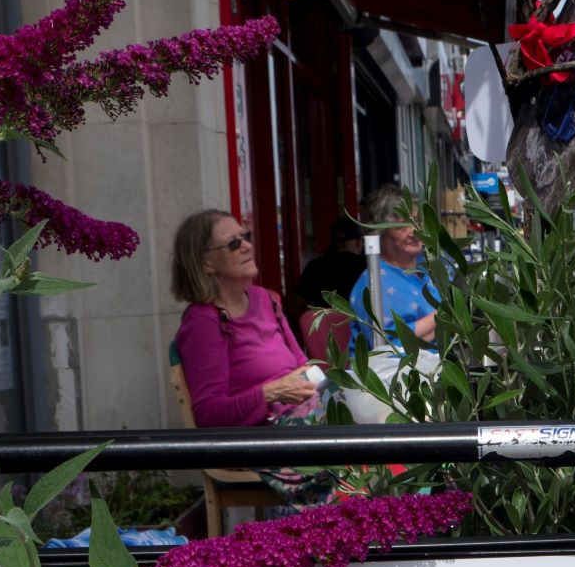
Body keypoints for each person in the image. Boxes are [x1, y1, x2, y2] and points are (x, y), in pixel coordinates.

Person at [171, 208, 332, 506]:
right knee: (357, 452)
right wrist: (271, 393)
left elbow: (301, 366)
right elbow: (208, 415)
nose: (246, 245)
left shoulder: (265, 299)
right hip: (259, 437)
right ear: (206, 262)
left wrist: (320, 381)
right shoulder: (205, 322)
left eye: (245, 237)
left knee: (379, 414)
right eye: (233, 243)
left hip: (303, 421)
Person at [344, 185, 441, 423]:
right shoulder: (374, 283)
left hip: (436, 379)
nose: (414, 231)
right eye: (402, 225)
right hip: (399, 395)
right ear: (380, 234)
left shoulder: (428, 271)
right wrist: (446, 315)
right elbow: (394, 344)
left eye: (417, 221)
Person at [288, 216, 366, 328]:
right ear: (360, 242)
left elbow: (295, 306)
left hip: (323, 334)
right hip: (361, 333)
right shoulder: (367, 267)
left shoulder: (314, 267)